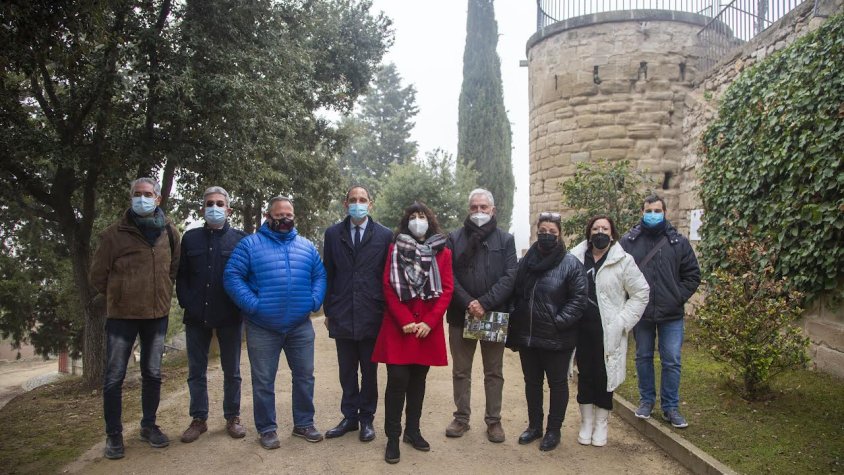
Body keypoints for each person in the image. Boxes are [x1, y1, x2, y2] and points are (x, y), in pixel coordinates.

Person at [224, 196, 327, 449]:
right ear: (268, 217)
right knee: (263, 382)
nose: (284, 219)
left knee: (304, 377)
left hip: (299, 326)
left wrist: (314, 301)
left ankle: (304, 424)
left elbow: (320, 275)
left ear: (294, 217)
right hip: (262, 327)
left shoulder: (306, 246)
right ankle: (267, 429)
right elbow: (232, 276)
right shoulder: (250, 244)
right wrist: (253, 305)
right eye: (278, 215)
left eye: (288, 215)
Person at [89, 177, 181, 460]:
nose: (142, 198)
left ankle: (149, 426)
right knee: (114, 376)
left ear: (158, 199)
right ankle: (113, 435)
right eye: (137, 194)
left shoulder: (169, 232)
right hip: (122, 317)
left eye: (147, 194)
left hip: (156, 315)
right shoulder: (113, 235)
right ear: (130, 198)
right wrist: (122, 294)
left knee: (152, 373)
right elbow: (97, 277)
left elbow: (173, 269)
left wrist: (161, 294)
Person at [371, 202, 453, 464]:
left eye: (423, 216)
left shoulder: (443, 252)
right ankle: (392, 438)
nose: (419, 220)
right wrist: (405, 319)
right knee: (397, 381)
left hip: (426, 329)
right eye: (413, 217)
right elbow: (387, 285)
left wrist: (429, 321)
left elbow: (447, 289)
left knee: (418, 382)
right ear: (406, 222)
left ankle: (412, 431)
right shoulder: (394, 249)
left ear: (430, 221)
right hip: (400, 328)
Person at [506, 212, 587, 452]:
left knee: (557, 383)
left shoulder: (571, 263)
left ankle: (554, 430)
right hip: (528, 335)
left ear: (560, 234)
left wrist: (558, 321)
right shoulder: (526, 262)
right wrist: (515, 314)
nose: (547, 235)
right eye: (543, 231)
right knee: (532, 383)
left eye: (552, 232)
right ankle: (535, 426)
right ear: (536, 232)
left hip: (556, 337)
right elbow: (514, 292)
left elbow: (579, 299)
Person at [620, 194, 701, 428]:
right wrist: (629, 301)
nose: (653, 214)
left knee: (672, 360)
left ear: (665, 213)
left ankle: (671, 408)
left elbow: (693, 275)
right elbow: (619, 275)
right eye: (648, 210)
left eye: (657, 210)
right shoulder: (629, 242)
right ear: (642, 212)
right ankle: (646, 401)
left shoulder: (678, 242)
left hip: (671, 314)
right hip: (642, 313)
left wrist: (677, 296)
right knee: (643, 357)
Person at [445, 188, 517, 443]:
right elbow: (448, 275)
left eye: (483, 208)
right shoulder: (454, 238)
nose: (478, 212)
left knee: (493, 372)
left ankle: (493, 421)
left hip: (493, 316)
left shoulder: (505, 240)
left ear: (492, 210)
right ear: (469, 210)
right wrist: (469, 303)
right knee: (461, 371)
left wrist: (484, 303)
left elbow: (510, 276)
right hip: (460, 315)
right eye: (474, 207)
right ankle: (461, 418)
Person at [176, 186, 247, 443]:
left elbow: (247, 277)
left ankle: (232, 417)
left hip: (229, 315)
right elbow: (181, 275)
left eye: (219, 203)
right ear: (202, 208)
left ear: (228, 209)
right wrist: (186, 302)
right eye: (209, 204)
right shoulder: (190, 238)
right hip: (196, 316)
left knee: (232, 370)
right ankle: (198, 419)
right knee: (196, 370)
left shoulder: (241, 239)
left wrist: (242, 305)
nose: (214, 208)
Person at [570, 215, 649, 447]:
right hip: (581, 330)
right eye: (595, 228)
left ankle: (601, 423)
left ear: (613, 234)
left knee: (604, 376)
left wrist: (622, 321)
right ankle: (586, 422)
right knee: (584, 375)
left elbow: (641, 292)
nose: (600, 232)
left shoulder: (623, 261)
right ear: (589, 232)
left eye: (605, 228)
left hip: (608, 331)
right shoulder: (574, 258)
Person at [322, 185, 392, 442]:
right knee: (346, 370)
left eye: (362, 199)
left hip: (372, 313)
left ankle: (367, 419)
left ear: (370, 204)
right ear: (345, 204)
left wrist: (387, 311)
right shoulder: (332, 234)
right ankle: (349, 416)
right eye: (353, 200)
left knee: (369, 371)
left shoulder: (385, 235)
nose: (357, 204)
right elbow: (328, 272)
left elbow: (388, 277)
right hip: (341, 311)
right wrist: (328, 309)